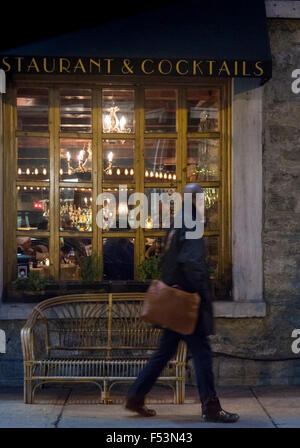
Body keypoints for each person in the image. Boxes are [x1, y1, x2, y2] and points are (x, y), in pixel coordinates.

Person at [125, 183, 239, 423]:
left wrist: (173, 285)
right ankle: (211, 407)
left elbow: (168, 259)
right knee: (202, 354)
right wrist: (200, 293)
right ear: (197, 199)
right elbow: (192, 261)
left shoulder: (176, 222)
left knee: (165, 352)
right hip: (188, 302)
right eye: (202, 197)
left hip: (175, 299)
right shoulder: (192, 222)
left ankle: (136, 396)